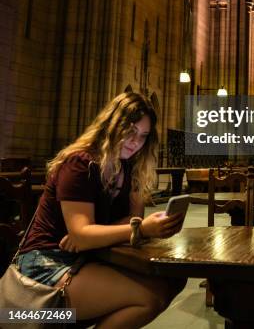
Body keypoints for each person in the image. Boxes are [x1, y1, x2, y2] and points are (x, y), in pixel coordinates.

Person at [16, 91, 186, 328]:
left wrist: (92, 235)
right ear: (112, 126)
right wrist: (137, 230)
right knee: (148, 299)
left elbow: (132, 219)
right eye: (130, 132)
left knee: (172, 280)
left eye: (144, 136)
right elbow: (87, 234)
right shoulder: (80, 163)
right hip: (44, 267)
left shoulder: (129, 167)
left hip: (87, 256)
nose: (136, 142)